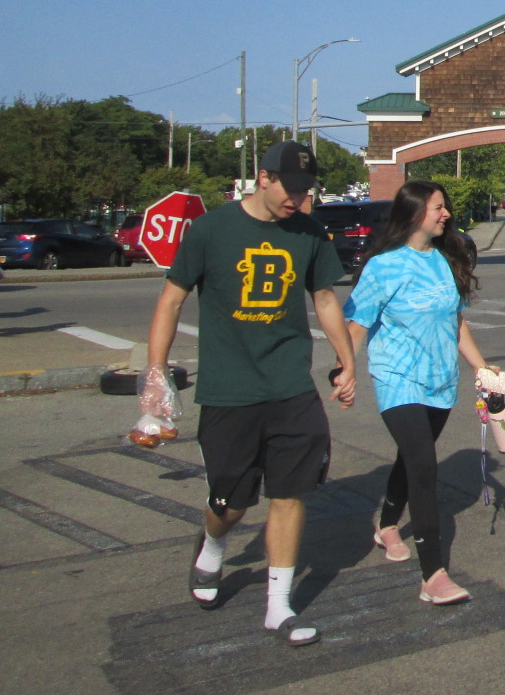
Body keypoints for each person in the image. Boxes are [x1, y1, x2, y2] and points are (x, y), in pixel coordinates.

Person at [146, 141, 356, 646]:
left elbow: (324, 297)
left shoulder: (308, 231)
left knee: (289, 493)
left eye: (308, 190)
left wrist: (347, 359)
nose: (300, 199)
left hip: (289, 384)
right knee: (232, 503)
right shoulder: (211, 230)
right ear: (263, 178)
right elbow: (171, 301)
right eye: (292, 188)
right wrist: (155, 375)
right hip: (229, 389)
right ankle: (213, 548)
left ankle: (278, 607)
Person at [344, 179, 490, 605]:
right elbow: (356, 325)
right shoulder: (383, 266)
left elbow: (456, 322)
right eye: (438, 207)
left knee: (412, 459)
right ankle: (434, 575)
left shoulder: (444, 261)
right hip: (397, 378)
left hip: (440, 381)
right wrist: (345, 370)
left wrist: (482, 369)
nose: (445, 214)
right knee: (424, 466)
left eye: (444, 208)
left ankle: (388, 523)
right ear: (414, 213)